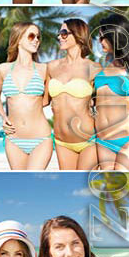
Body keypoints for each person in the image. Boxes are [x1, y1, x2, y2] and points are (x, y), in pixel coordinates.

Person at [0, 23, 53, 171]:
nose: (36, 40)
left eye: (38, 37)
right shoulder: (3, 69)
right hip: (13, 139)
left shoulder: (44, 69)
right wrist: (4, 117)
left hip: (41, 138)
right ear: (18, 39)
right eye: (31, 36)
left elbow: (45, 100)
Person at [93, 12, 129, 172]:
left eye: (103, 37)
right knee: (110, 192)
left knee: (119, 188)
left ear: (115, 36)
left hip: (128, 138)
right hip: (103, 141)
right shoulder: (102, 66)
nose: (100, 41)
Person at [45, 18, 98, 172]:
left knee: (84, 187)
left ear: (78, 34)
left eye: (63, 33)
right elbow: (42, 102)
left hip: (89, 140)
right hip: (61, 142)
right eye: (59, 33)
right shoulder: (52, 66)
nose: (59, 37)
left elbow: (109, 101)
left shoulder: (93, 68)